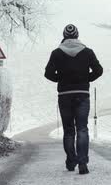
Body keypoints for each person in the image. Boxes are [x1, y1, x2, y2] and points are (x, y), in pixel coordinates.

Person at [44, 24, 103, 175]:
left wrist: (61, 80)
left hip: (64, 95)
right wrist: (85, 79)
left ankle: (71, 161)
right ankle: (83, 162)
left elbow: (48, 74)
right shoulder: (87, 52)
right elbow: (99, 70)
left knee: (69, 130)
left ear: (64, 36)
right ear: (77, 36)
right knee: (82, 128)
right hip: (82, 93)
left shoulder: (56, 53)